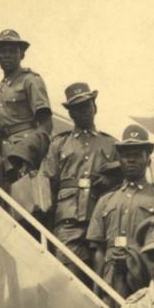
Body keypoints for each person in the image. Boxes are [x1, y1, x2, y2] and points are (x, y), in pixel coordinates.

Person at [87, 125, 154, 299]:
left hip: (147, 281)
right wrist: (96, 288)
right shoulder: (106, 200)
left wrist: (134, 260)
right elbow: (99, 249)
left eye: (137, 155)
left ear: (148, 160)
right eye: (126, 155)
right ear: (119, 160)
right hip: (110, 281)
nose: (131, 160)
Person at [41, 83, 118, 279]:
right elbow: (49, 186)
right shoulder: (59, 144)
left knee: (103, 279)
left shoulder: (111, 145)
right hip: (67, 223)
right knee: (66, 277)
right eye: (77, 108)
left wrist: (111, 179)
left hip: (101, 221)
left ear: (95, 107)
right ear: (70, 114)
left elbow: (123, 184)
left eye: (87, 105)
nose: (83, 111)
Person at [0, 29, 52, 184]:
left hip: (24, 154)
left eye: (13, 51)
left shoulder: (31, 80)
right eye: (3, 52)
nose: (7, 55)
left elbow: (46, 126)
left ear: (22, 55)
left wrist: (28, 156)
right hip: (6, 153)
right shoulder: (3, 86)